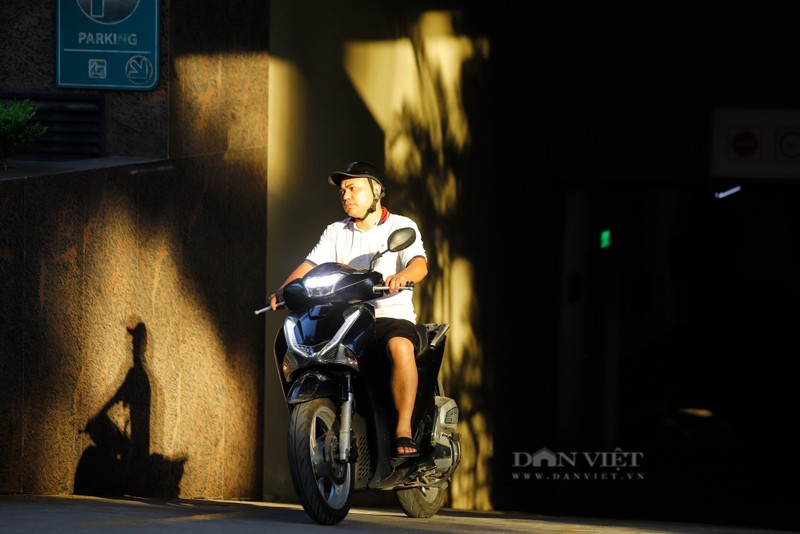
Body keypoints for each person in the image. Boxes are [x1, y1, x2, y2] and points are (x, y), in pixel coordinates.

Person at [269, 161, 428, 458]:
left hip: (388, 315)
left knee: (401, 348)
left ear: (377, 191)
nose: (346, 196)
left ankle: (403, 429)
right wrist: (283, 290)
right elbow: (310, 265)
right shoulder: (335, 231)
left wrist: (404, 275)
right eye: (343, 191)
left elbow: (418, 263)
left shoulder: (400, 226)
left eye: (353, 188)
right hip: (346, 318)